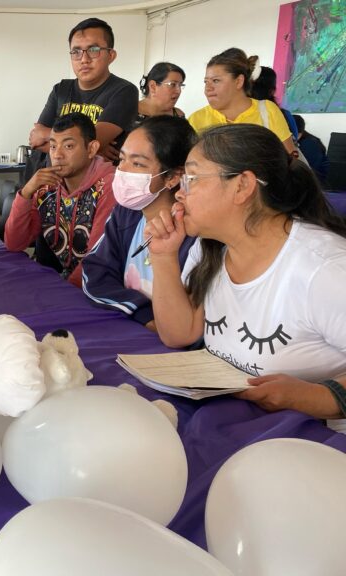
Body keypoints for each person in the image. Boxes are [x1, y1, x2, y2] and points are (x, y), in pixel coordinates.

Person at [145, 123, 346, 429]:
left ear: (242, 186)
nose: (179, 193)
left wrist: (312, 396)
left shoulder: (324, 268)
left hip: (318, 442)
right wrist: (162, 257)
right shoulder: (211, 247)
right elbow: (179, 333)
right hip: (243, 424)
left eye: (192, 179)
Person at [81, 116, 197, 331]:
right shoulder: (127, 213)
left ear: (172, 177)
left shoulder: (195, 233)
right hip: (136, 330)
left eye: (137, 164)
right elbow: (96, 272)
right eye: (122, 159)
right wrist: (142, 314)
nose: (123, 171)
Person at [5, 112, 116, 282]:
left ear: (91, 149)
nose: (57, 155)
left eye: (69, 146)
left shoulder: (110, 187)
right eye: (53, 146)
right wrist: (26, 193)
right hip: (65, 283)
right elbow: (14, 243)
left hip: (100, 289)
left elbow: (96, 260)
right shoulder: (48, 187)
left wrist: (65, 293)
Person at [29, 17, 138, 164]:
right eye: (76, 51)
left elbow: (93, 142)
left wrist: (50, 137)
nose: (84, 59)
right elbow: (36, 141)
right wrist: (92, 149)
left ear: (111, 55)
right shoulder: (61, 89)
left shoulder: (124, 91)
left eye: (94, 50)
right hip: (56, 181)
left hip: (99, 185)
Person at [188, 48, 295, 155]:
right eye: (206, 82)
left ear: (239, 81)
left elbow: (291, 157)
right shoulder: (196, 119)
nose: (208, 88)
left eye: (216, 80)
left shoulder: (267, 111)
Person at [134, 62, 186, 128]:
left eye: (180, 85)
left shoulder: (178, 115)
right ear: (153, 86)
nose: (179, 91)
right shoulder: (129, 111)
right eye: (172, 84)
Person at [293, 114, 330, 185]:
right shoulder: (299, 141)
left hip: (315, 183)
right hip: (305, 180)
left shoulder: (310, 144)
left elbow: (307, 169)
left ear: (299, 133)